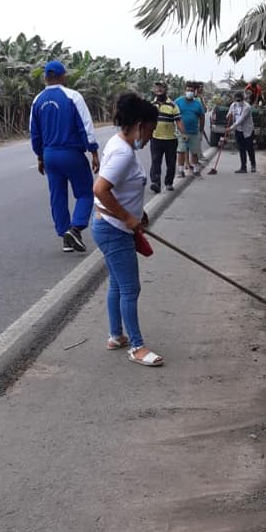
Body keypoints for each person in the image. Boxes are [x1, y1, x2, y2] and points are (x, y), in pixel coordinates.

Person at [91, 92, 163, 368]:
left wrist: (137, 213)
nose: (151, 137)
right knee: (131, 288)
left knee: (117, 284)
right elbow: (100, 189)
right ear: (140, 125)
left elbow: (122, 188)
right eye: (151, 130)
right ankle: (137, 346)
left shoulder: (121, 143)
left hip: (110, 226)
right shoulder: (123, 153)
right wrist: (127, 218)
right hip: (113, 229)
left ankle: (115, 335)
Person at [30, 60, 100, 252]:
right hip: (71, 153)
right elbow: (86, 126)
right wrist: (93, 151)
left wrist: (40, 156)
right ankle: (75, 228)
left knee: (57, 196)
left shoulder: (37, 100)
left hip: (50, 155)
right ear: (63, 76)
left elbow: (34, 133)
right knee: (85, 192)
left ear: (45, 78)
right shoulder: (73, 96)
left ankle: (65, 237)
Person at [149, 80, 184, 194]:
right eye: (157, 87)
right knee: (155, 162)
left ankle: (169, 183)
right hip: (156, 138)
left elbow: (178, 121)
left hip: (170, 139)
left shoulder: (173, 105)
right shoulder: (151, 105)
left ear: (165, 90)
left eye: (161, 87)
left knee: (171, 163)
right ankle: (155, 183)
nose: (159, 89)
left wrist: (183, 134)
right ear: (154, 90)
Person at [175, 82, 205, 178]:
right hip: (181, 132)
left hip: (194, 132)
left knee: (194, 151)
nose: (189, 92)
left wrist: (201, 131)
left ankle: (195, 170)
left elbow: (202, 117)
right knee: (181, 151)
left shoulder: (197, 104)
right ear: (185, 91)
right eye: (188, 90)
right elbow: (173, 114)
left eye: (191, 90)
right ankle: (181, 171)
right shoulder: (178, 102)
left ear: (194, 91)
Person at [226, 91, 257, 174]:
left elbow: (241, 120)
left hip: (247, 131)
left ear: (243, 99)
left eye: (239, 100)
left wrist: (231, 128)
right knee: (241, 149)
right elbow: (229, 113)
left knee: (250, 148)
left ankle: (253, 165)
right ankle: (243, 167)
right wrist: (229, 115)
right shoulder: (233, 105)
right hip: (238, 130)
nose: (238, 102)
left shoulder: (247, 107)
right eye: (237, 100)